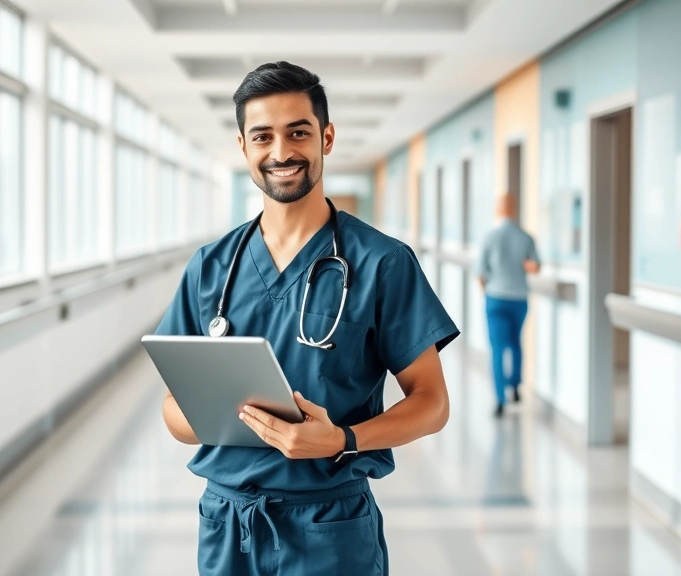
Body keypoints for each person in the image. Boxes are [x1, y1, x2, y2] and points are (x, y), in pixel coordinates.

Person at [155, 61, 459, 576]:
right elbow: (173, 411)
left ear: (327, 137)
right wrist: (235, 419)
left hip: (331, 528)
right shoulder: (211, 267)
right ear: (244, 148)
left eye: (298, 132)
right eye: (263, 136)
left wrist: (344, 439)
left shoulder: (381, 262)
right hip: (229, 526)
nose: (281, 152)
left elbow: (433, 403)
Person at [477, 193, 540, 418]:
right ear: (514, 209)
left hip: (496, 298)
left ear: (498, 209)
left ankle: (500, 400)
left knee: (497, 348)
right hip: (519, 298)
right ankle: (515, 385)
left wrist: (488, 291)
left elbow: (481, 273)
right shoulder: (526, 237)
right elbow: (535, 266)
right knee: (515, 342)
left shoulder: (490, 237)